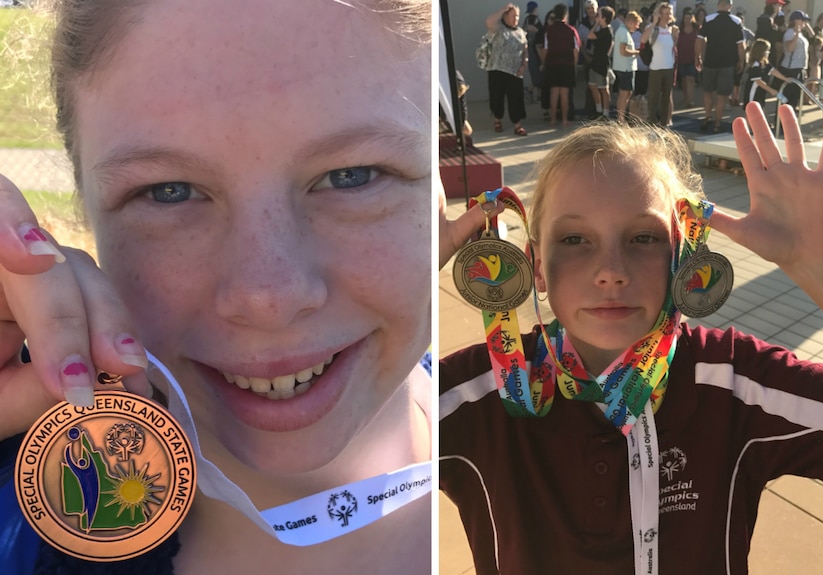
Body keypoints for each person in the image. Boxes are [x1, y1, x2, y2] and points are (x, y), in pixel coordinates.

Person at [0, 0, 433, 573]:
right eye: (169, 191)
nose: (269, 297)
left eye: (351, 177)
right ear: (85, 216)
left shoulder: (496, 421)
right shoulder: (18, 521)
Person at [438, 101, 823, 574]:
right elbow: (344, 464)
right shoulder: (477, 394)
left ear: (681, 256)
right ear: (536, 265)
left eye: (643, 238)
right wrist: (402, 282)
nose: (611, 273)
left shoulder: (731, 383)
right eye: (575, 240)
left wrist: (820, 265)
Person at [696, 0, 747, 133]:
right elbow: (741, 45)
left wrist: (698, 57)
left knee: (707, 91)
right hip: (727, 64)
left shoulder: (708, 19)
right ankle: (717, 123)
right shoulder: (736, 21)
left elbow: (699, 39)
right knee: (722, 95)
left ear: (718, 5)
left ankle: (707, 117)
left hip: (710, 62)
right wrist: (741, 61)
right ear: (730, 6)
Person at [485, 3, 531, 136]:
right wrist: (503, 9)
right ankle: (497, 120)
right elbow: (489, 21)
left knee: (516, 99)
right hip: (497, 70)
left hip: (515, 72)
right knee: (497, 97)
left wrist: (524, 65)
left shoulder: (520, 32)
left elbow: (525, 51)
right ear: (505, 16)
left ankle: (517, 125)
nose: (516, 18)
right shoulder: (498, 28)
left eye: (517, 16)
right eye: (513, 16)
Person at [540, 3, 581, 129]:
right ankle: (564, 119)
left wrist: (543, 62)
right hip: (566, 65)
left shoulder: (549, 30)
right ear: (565, 15)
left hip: (552, 64)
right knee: (564, 94)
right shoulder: (571, 30)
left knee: (553, 93)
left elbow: (545, 49)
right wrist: (574, 64)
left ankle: (552, 119)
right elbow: (576, 49)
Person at [644, 2, 679, 126]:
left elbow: (672, 48)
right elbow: (643, 39)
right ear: (659, 14)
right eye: (665, 13)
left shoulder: (672, 30)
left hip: (668, 68)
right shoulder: (653, 28)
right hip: (655, 68)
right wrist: (654, 22)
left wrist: (675, 37)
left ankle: (664, 124)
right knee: (653, 98)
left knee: (666, 98)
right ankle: (652, 123)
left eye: (670, 13)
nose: (668, 16)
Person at [775, 10, 811, 112]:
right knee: (786, 98)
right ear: (795, 20)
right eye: (803, 20)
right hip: (790, 69)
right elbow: (789, 48)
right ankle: (780, 122)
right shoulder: (790, 33)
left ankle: (788, 122)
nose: (805, 22)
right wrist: (796, 35)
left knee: (795, 98)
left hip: (799, 68)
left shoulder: (801, 34)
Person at [744, 38, 790, 107]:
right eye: (767, 51)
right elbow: (758, 81)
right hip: (753, 93)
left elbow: (773, 71)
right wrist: (771, 90)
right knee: (752, 110)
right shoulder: (755, 65)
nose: (769, 52)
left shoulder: (765, 63)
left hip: (761, 92)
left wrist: (785, 79)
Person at [613, 11, 642, 122]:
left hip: (625, 67)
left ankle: (620, 117)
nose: (637, 27)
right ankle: (620, 118)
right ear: (631, 22)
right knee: (625, 93)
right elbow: (623, 51)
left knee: (625, 92)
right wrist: (636, 52)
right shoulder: (623, 32)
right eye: (637, 24)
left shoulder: (623, 31)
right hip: (625, 67)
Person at [588, 6, 616, 118]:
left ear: (604, 18)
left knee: (604, 88)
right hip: (595, 62)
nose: (597, 17)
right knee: (593, 86)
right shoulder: (602, 30)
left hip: (602, 63)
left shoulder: (607, 31)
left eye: (598, 15)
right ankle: (598, 110)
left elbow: (590, 35)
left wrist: (595, 24)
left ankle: (605, 112)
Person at [677, 10, 700, 107]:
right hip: (681, 57)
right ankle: (685, 98)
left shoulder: (697, 29)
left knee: (690, 79)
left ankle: (690, 100)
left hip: (693, 58)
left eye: (689, 18)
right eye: (686, 18)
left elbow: (701, 43)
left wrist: (699, 57)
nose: (687, 20)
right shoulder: (679, 29)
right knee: (683, 80)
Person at [523, 0, 544, 102]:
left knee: (538, 72)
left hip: (531, 48)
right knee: (537, 72)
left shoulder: (527, 19)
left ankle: (539, 96)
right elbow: (532, 29)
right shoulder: (533, 19)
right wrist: (540, 31)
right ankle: (530, 89)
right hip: (534, 49)